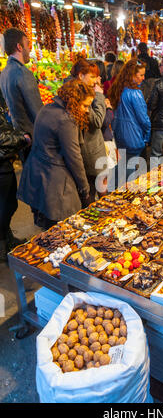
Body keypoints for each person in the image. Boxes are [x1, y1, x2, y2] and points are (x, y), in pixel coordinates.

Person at [17, 80, 93, 230]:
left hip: (36, 172)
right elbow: (74, 157)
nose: (87, 110)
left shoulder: (47, 108)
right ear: (73, 101)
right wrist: (85, 188)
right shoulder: (66, 119)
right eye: (85, 105)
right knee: (61, 229)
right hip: (53, 181)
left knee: (45, 224)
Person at [67, 59, 108, 200]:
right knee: (94, 194)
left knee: (94, 192)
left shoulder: (76, 90)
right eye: (92, 77)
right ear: (80, 76)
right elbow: (97, 121)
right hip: (90, 153)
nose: (95, 80)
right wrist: (100, 96)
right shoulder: (79, 95)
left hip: (90, 151)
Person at [0, 28, 43, 160]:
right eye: (27, 45)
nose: (29, 50)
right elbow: (38, 111)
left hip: (20, 135)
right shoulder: (23, 73)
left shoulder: (4, 72)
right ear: (19, 47)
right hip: (33, 136)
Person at [108, 59, 151, 183]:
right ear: (132, 75)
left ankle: (113, 190)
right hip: (133, 136)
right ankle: (121, 194)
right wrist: (147, 136)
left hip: (120, 135)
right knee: (129, 169)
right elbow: (143, 119)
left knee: (123, 164)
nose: (143, 78)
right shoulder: (135, 93)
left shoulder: (118, 89)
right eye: (141, 75)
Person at [0, 109, 30, 262]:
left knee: (7, 206)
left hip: (4, 164)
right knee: (6, 206)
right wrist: (22, 138)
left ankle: (7, 241)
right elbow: (2, 138)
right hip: (2, 167)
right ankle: (4, 246)